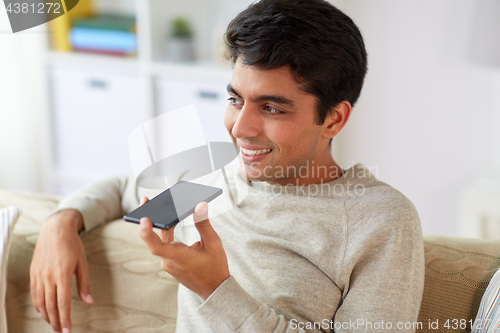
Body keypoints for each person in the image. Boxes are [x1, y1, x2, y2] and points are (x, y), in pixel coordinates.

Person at [30, 0, 425, 332]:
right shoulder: (208, 180)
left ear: (334, 119)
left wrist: (215, 290)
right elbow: (121, 189)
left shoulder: (380, 220)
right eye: (236, 99)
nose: (240, 128)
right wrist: (60, 223)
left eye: (271, 107)